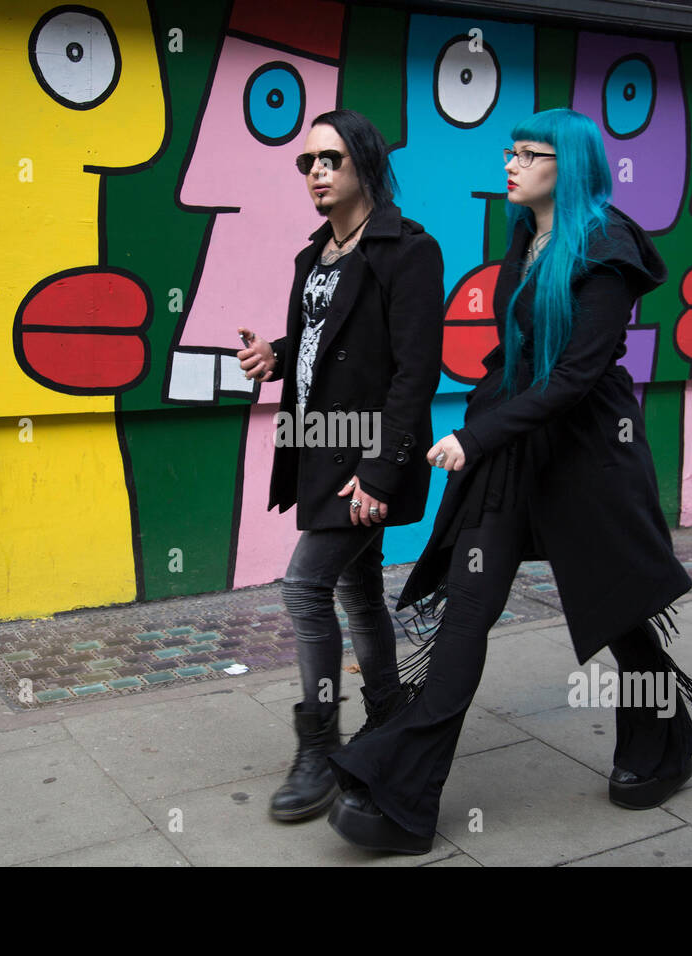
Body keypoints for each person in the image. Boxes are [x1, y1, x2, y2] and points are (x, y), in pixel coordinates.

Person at [324, 108, 692, 855]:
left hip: (585, 457)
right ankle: (404, 794)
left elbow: (575, 375)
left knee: (620, 617)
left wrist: (474, 437)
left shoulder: (605, 247)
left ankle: (665, 740)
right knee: (467, 614)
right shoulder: (525, 239)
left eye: (528, 153)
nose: (510, 163)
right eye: (510, 150)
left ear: (566, 166)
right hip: (513, 454)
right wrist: (487, 426)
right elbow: (518, 352)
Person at [237, 109, 444, 822]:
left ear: (364, 165)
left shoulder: (408, 251)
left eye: (330, 160)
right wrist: (275, 354)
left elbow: (416, 371)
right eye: (307, 163)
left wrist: (383, 472)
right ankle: (386, 717)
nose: (316, 173)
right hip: (320, 451)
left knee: (304, 588)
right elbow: (321, 343)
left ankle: (321, 745)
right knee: (356, 589)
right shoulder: (313, 256)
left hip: (367, 458)